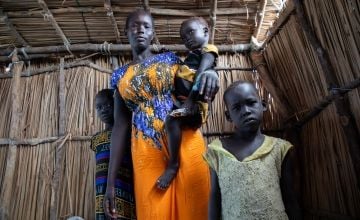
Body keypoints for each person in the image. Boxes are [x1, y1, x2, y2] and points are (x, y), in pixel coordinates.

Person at [104, 9, 219, 220]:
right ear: (125, 31)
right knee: (153, 213)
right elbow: (120, 126)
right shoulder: (118, 76)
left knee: (196, 209)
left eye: (146, 26)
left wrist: (211, 71)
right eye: (134, 26)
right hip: (146, 152)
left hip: (185, 140)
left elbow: (193, 78)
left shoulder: (171, 59)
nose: (140, 30)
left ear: (153, 33)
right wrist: (109, 184)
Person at [204, 81, 302, 220]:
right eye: (237, 108)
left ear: (263, 105)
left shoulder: (279, 148)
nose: (246, 111)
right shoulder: (217, 151)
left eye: (251, 103)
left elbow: (290, 198)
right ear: (228, 116)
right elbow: (215, 197)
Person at [156, 17, 218, 189]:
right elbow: (186, 71)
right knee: (169, 122)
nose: (187, 39)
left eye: (190, 32)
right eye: (183, 37)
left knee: (171, 119)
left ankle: (173, 164)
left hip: (195, 105)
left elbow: (201, 73)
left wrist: (190, 102)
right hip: (183, 102)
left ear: (205, 31)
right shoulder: (193, 56)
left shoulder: (209, 50)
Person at [91, 89, 136, 220]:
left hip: (125, 188)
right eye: (99, 107)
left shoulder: (129, 135)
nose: (103, 110)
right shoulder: (96, 139)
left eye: (108, 105)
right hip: (101, 190)